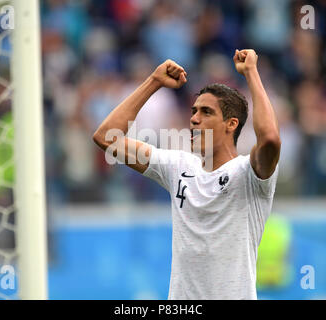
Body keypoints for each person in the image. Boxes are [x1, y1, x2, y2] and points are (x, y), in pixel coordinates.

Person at [93, 49, 281, 300]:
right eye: (193, 111)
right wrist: (154, 82)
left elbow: (269, 137)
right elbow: (107, 138)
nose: (194, 119)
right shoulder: (179, 166)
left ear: (231, 124)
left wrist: (251, 72)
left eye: (206, 112)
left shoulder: (250, 174)